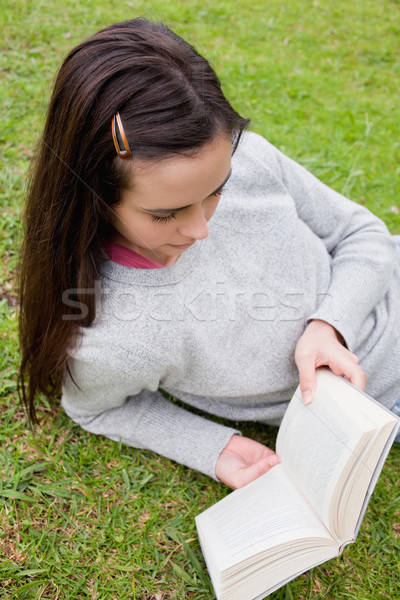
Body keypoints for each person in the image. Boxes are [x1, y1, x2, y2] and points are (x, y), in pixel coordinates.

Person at [18, 18, 400, 490]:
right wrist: (213, 447)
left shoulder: (249, 158)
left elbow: (363, 233)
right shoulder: (112, 339)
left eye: (217, 190)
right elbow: (92, 408)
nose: (201, 228)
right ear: (94, 195)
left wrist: (329, 324)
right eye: (165, 214)